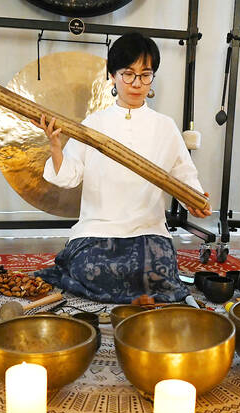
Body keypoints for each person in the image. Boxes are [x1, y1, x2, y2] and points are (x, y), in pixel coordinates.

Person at [31, 32, 212, 303]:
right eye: (128, 73)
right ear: (113, 75)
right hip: (99, 228)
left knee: (157, 274)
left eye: (145, 74)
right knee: (91, 270)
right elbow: (69, 176)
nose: (136, 83)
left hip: (147, 228)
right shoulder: (93, 124)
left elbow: (184, 175)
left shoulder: (165, 126)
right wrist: (55, 145)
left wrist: (194, 200)